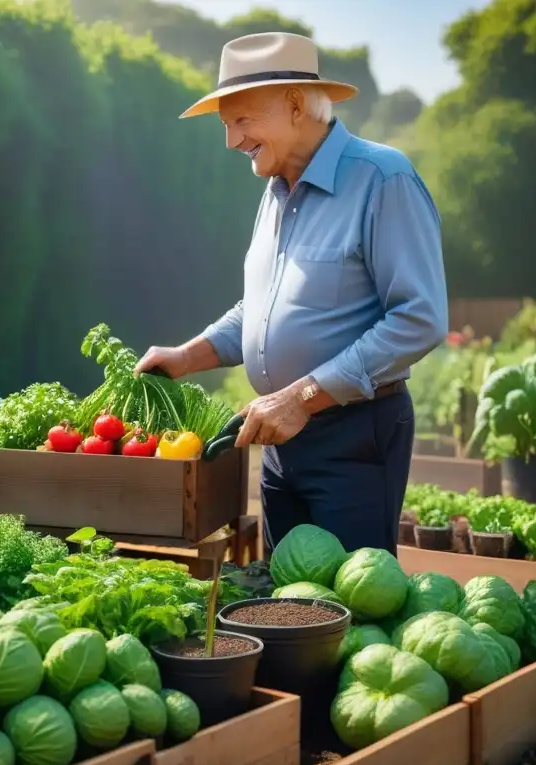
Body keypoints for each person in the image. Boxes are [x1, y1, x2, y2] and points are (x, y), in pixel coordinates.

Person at [134, 32, 448, 555]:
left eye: (241, 121)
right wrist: (187, 356)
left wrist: (302, 398)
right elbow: (261, 310)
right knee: (282, 603)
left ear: (296, 105)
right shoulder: (276, 193)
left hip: (355, 437)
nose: (232, 141)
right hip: (280, 441)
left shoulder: (382, 178)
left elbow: (419, 317)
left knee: (350, 608)